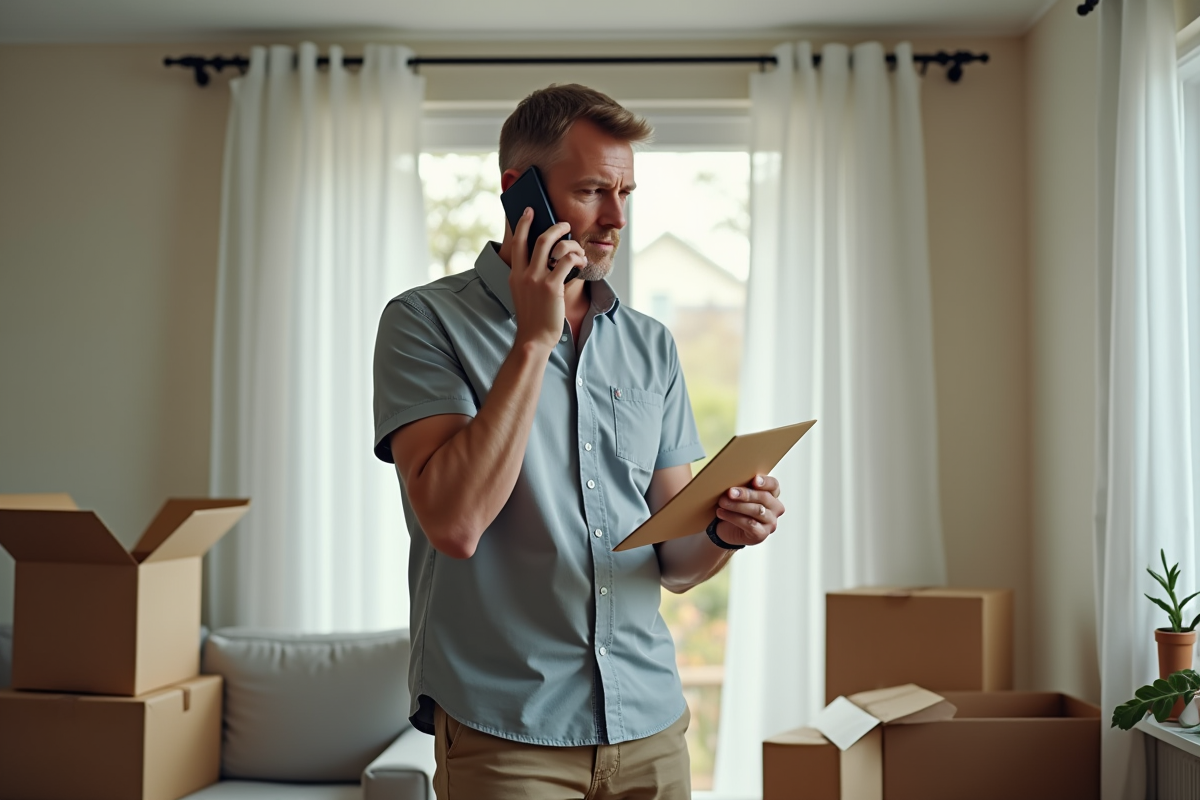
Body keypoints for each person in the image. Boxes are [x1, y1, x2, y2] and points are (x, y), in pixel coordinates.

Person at [372, 83, 785, 800]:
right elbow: (454, 522)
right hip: (506, 733)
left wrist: (726, 530)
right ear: (517, 190)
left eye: (626, 192)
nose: (617, 218)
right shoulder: (423, 323)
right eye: (594, 190)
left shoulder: (650, 345)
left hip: (649, 724)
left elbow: (676, 559)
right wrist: (533, 340)